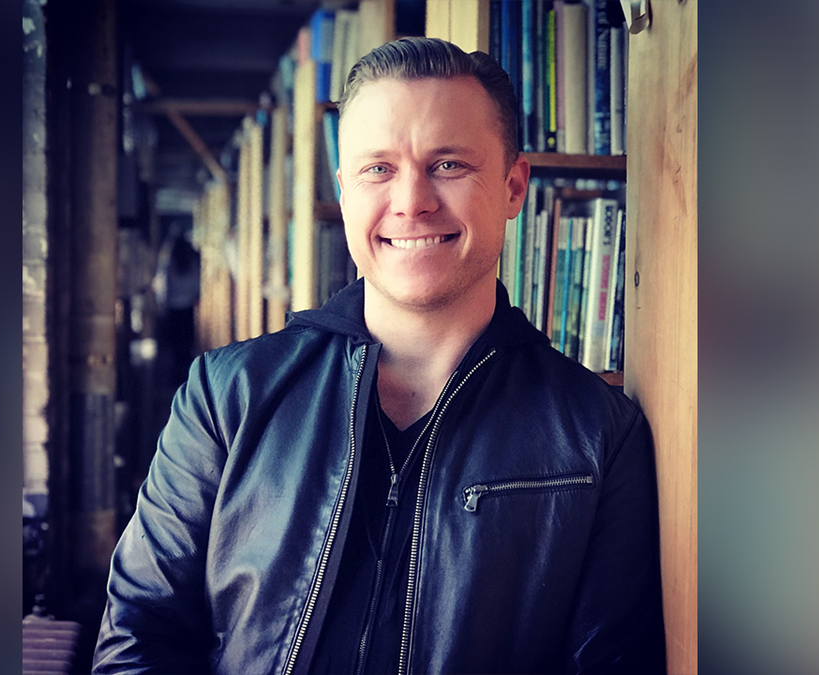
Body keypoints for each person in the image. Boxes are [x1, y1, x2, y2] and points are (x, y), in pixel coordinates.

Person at [92, 37, 666, 675]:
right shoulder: (225, 396)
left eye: (448, 164)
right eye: (378, 168)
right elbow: (138, 640)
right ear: (344, 193)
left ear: (513, 185)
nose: (412, 199)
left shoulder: (598, 434)